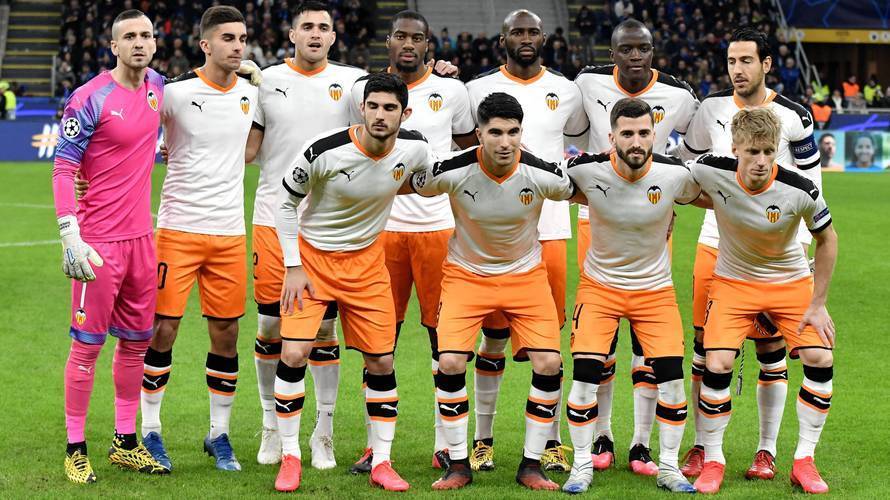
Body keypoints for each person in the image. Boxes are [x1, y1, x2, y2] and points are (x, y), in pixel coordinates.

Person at [273, 72, 433, 492]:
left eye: (390, 108)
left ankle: (382, 461)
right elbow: (284, 204)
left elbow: (426, 179)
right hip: (313, 262)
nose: (380, 115)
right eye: (373, 106)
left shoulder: (416, 148)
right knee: (294, 353)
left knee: (381, 362)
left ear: (404, 114)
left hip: (367, 266)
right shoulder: (323, 150)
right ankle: (290, 456)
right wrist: (292, 266)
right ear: (362, 108)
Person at [413, 92, 578, 491]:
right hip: (466, 276)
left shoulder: (543, 174)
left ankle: (531, 465)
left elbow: (588, 190)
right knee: (450, 361)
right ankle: (457, 464)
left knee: (549, 364)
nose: (506, 142)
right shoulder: (452, 169)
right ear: (479, 134)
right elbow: (406, 182)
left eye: (513, 132)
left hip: (526, 277)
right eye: (496, 133)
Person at [347, 9, 477, 473]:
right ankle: (374, 446)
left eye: (416, 38)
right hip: (380, 231)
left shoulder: (452, 90)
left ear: (428, 45)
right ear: (388, 41)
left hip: (438, 230)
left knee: (445, 342)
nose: (408, 44)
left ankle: (446, 443)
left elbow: (468, 149)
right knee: (379, 343)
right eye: (400, 36)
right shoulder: (364, 90)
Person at [464, 9, 589, 473]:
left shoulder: (567, 90)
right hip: (495, 232)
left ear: (544, 37)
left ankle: (551, 442)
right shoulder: (475, 90)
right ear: (503, 39)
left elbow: (579, 141)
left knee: (547, 345)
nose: (525, 37)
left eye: (533, 31)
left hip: (550, 228)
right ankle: (482, 439)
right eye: (517, 31)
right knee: (493, 339)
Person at [573, 19, 699, 474]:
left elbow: (697, 147)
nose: (634, 56)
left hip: (651, 218)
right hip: (598, 217)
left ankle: (642, 444)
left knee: (648, 347)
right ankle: (602, 435)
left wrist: (665, 186)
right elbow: (567, 137)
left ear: (652, 50)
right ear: (612, 52)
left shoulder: (679, 94)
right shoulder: (586, 81)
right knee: (600, 347)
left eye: (642, 48)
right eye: (625, 48)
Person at [689, 107, 838, 495]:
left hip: (789, 283)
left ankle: (804, 460)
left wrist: (818, 303)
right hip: (733, 283)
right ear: (735, 148)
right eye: (753, 151)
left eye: (769, 151)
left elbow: (828, 239)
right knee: (716, 363)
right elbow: (675, 186)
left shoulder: (800, 189)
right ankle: (714, 460)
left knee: (820, 358)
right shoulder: (709, 169)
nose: (761, 160)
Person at [244, 0, 367, 468]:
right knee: (271, 326)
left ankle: (324, 432)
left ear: (334, 36)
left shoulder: (353, 83)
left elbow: (393, 105)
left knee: (323, 329)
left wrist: (441, 71)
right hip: (272, 219)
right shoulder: (266, 81)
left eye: (324, 27)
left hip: (327, 227)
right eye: (307, 27)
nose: (316, 34)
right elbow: (248, 148)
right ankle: (271, 426)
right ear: (292, 34)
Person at [138, 6, 259, 473]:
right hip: (178, 231)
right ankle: (150, 429)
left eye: (242, 38)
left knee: (226, 334)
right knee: (162, 329)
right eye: (228, 38)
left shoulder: (252, 93)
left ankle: (219, 434)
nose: (238, 46)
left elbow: (255, 147)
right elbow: (133, 132)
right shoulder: (175, 93)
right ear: (206, 45)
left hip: (229, 234)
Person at [52, 9, 168, 484]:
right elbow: (64, 168)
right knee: (86, 348)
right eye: (129, 36)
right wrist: (69, 234)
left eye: (146, 35)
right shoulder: (88, 97)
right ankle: (75, 449)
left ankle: (125, 442)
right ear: (114, 46)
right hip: (97, 245)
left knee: (136, 345)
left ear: (154, 43)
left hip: (142, 241)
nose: (139, 43)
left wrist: (237, 69)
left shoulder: (158, 86)